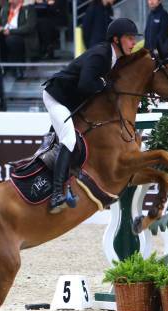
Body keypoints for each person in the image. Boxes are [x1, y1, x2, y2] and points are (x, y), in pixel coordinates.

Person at [43, 18, 139, 213]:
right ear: (116, 39)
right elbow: (86, 84)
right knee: (69, 139)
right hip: (57, 98)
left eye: (133, 39)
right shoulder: (101, 54)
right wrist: (106, 85)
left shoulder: (114, 58)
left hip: (72, 101)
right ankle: (56, 195)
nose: (134, 42)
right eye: (130, 38)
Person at [0, 0, 39, 78]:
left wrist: (11, 31)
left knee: (12, 40)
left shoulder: (28, 8)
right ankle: (1, 68)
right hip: (6, 33)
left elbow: (29, 27)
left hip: (22, 36)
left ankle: (17, 68)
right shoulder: (5, 8)